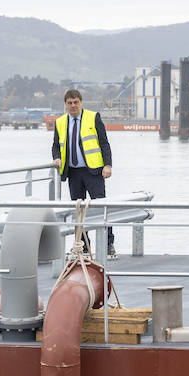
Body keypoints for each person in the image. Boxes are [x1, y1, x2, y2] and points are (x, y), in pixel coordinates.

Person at [51, 89, 115, 258]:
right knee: (78, 211)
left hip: (93, 171)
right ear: (65, 105)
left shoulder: (93, 117)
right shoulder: (60, 122)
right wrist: (57, 158)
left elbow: (104, 143)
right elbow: (56, 145)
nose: (73, 106)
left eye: (76, 102)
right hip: (73, 173)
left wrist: (107, 165)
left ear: (81, 102)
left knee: (102, 209)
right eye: (70, 103)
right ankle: (84, 247)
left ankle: (108, 244)